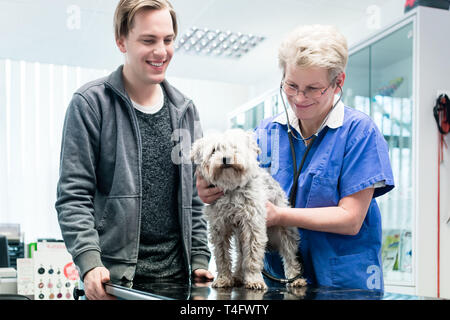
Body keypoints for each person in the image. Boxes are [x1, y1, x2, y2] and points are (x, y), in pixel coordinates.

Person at [197, 24, 394, 291]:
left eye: (313, 88)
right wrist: (208, 187)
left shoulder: (359, 132)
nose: (299, 98)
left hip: (343, 281)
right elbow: (231, 179)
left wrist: (280, 215)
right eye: (291, 85)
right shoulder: (266, 133)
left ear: (338, 83)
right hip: (274, 278)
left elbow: (351, 219)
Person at [56, 0, 213, 300]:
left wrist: (199, 260)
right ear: (121, 41)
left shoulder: (184, 112)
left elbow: (194, 198)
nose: (161, 51)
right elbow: (73, 197)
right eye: (148, 40)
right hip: (115, 285)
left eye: (168, 40)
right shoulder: (90, 105)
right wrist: (90, 264)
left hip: (177, 285)